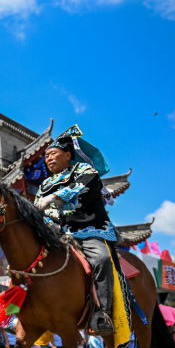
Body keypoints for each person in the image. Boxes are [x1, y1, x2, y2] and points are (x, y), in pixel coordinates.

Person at [35, 126, 121, 335]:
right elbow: (38, 207)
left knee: (101, 259)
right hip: (58, 233)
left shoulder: (84, 171)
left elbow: (84, 188)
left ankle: (103, 313)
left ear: (67, 155)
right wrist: (50, 218)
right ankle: (24, 312)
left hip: (88, 229)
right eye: (46, 156)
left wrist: (55, 199)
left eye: (52, 153)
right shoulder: (45, 184)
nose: (48, 158)